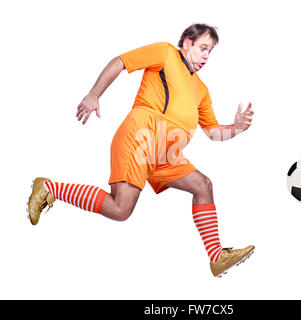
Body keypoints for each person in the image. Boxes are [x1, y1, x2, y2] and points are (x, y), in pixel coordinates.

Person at [27, 23, 255, 277]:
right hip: (141, 137)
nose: (206, 56)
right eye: (203, 48)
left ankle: (217, 257)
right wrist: (94, 95)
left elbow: (213, 132)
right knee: (120, 209)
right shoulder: (166, 53)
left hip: (166, 154)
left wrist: (237, 127)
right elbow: (121, 62)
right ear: (187, 43)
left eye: (210, 51)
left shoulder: (201, 90)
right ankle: (49, 188)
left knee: (203, 185)